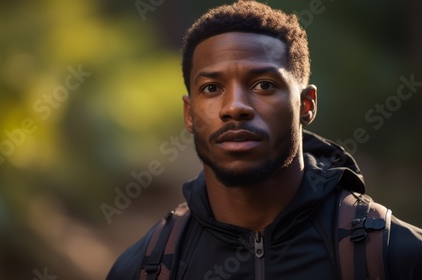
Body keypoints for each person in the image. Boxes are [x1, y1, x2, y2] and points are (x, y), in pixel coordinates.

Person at [107, 0, 422, 279]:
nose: (234, 108)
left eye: (263, 85)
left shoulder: (397, 255)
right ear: (189, 114)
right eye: (212, 88)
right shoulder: (143, 268)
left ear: (306, 104)